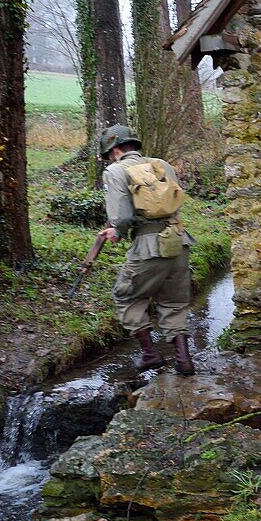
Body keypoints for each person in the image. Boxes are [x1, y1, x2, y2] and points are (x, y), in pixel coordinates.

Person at [98, 124, 196, 375]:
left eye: (109, 154)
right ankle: (184, 361)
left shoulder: (115, 171)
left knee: (127, 296)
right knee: (174, 302)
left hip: (147, 246)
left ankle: (150, 354)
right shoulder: (162, 164)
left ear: (115, 150)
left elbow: (120, 216)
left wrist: (116, 231)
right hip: (178, 241)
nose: (110, 158)